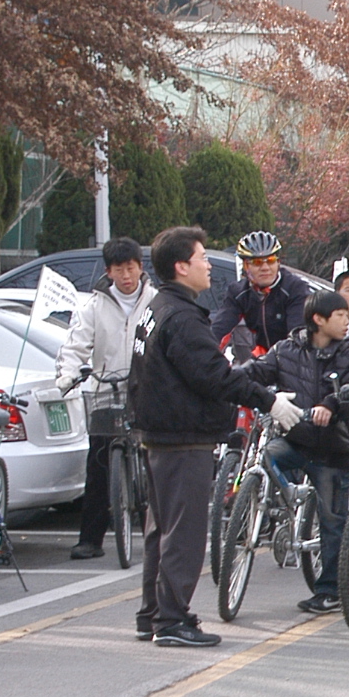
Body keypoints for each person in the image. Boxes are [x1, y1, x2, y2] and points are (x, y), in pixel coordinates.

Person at [129, 226, 289, 647]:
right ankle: (172, 620)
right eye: (201, 258)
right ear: (181, 267)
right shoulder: (181, 317)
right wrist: (268, 401)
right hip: (181, 437)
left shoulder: (159, 307)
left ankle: (154, 614)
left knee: (160, 531)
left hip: (160, 434)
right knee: (182, 534)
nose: (207, 266)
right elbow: (214, 375)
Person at [241, 289, 349, 613]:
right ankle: (287, 498)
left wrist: (331, 406)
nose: (347, 321)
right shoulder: (285, 350)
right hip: (295, 441)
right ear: (318, 320)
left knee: (333, 521)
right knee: (266, 455)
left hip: (332, 449)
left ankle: (330, 590)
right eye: (340, 315)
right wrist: (232, 378)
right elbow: (257, 372)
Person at [54, 237, 157, 560]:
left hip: (146, 390)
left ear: (141, 268)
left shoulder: (156, 301)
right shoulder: (93, 306)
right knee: (98, 463)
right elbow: (75, 346)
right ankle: (90, 539)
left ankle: (156, 533)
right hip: (104, 389)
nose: (126, 276)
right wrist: (68, 374)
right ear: (109, 271)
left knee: (154, 462)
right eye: (118, 270)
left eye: (131, 268)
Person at [211, 231, 311, 357]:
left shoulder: (294, 288)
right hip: (265, 358)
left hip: (296, 360)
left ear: (278, 262)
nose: (265, 267)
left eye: (270, 261)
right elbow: (218, 331)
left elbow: (297, 337)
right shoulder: (238, 292)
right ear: (246, 266)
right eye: (257, 262)